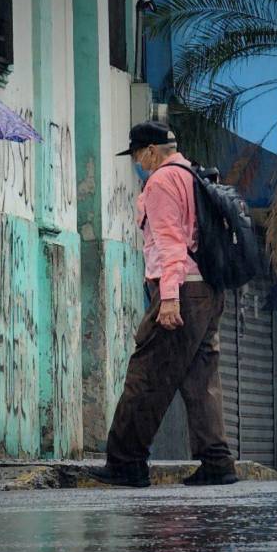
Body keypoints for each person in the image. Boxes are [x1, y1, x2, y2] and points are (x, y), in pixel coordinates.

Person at [89, 121, 237, 487]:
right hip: (207, 289)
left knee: (146, 374)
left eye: (137, 155)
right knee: (201, 378)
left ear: (151, 151)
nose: (137, 162)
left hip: (181, 290)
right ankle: (217, 463)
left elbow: (172, 244)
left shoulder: (161, 183)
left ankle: (126, 462)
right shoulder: (193, 175)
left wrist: (169, 299)